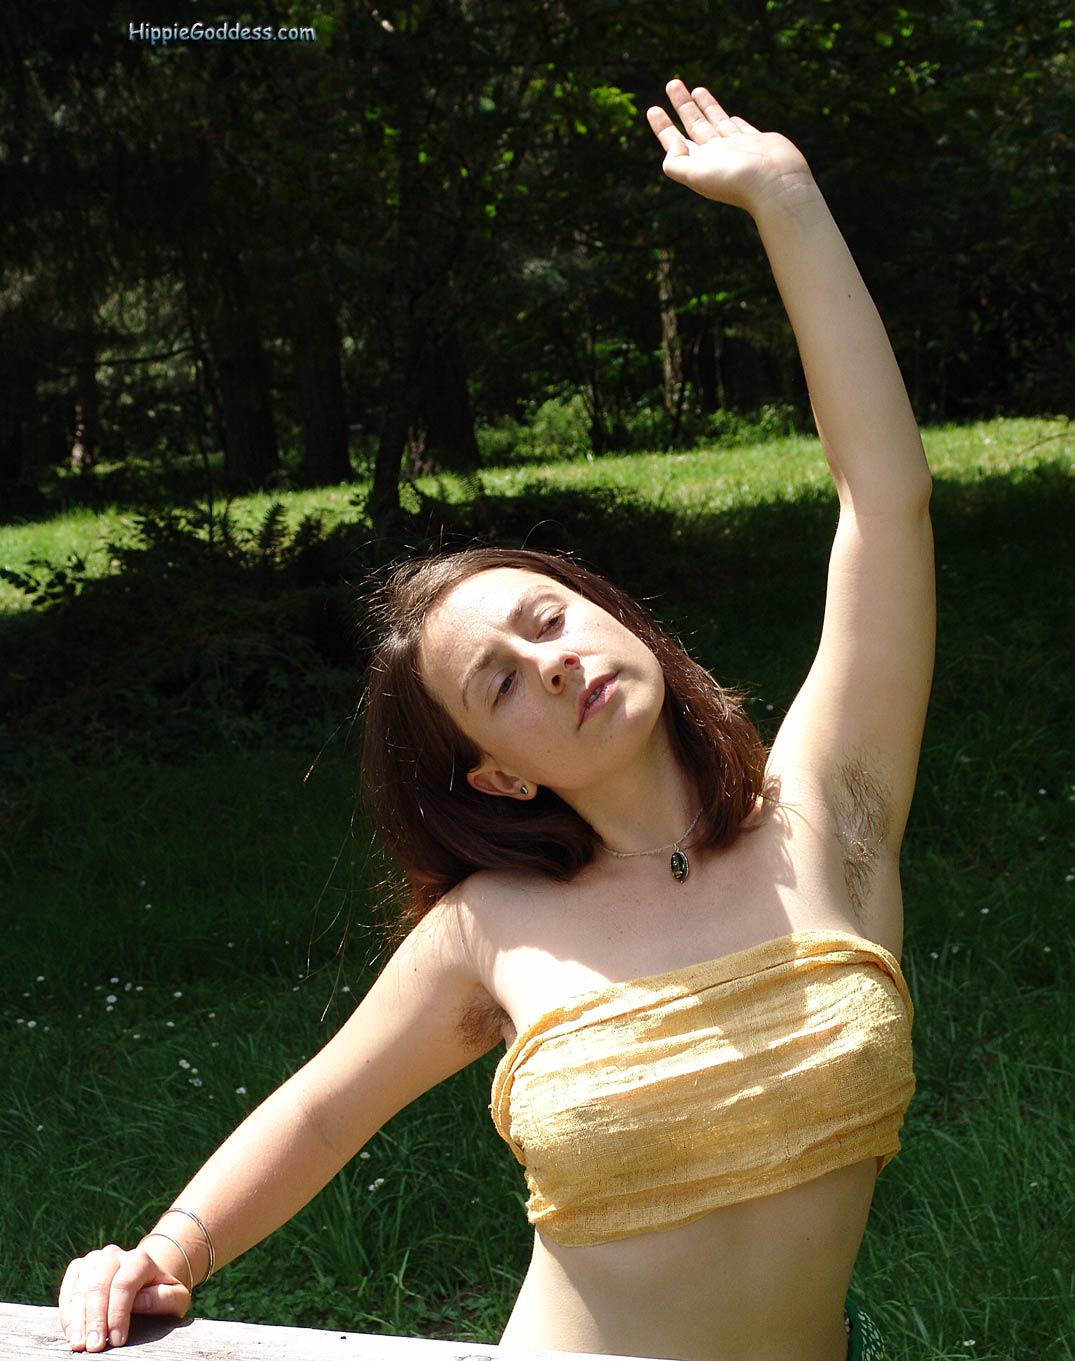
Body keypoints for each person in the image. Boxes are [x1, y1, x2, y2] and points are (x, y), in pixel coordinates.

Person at [58, 79, 934, 1361]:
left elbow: (882, 499)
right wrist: (161, 1251)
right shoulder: (492, 926)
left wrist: (785, 199)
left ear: (614, 615)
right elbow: (320, 1108)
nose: (553, 662)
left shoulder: (829, 809)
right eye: (503, 684)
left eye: (548, 618)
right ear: (497, 775)